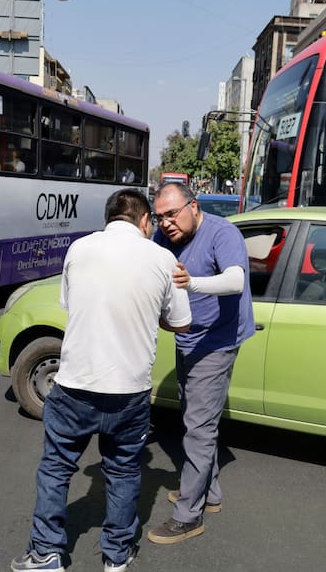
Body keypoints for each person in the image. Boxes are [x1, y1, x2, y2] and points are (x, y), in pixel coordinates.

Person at [11, 189, 192, 572]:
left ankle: (45, 554)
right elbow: (182, 323)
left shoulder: (79, 249)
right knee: (124, 472)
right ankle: (117, 556)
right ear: (144, 220)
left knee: (56, 468)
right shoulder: (163, 259)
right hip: (129, 392)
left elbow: (70, 303)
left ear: (108, 219)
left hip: (75, 385)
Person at [147, 182, 254, 544]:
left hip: (218, 342)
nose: (166, 223)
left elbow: (235, 280)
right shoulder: (163, 239)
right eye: (159, 217)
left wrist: (191, 283)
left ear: (193, 206)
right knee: (197, 419)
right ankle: (210, 493)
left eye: (172, 214)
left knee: (198, 427)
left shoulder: (223, 233)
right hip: (188, 338)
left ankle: (188, 516)